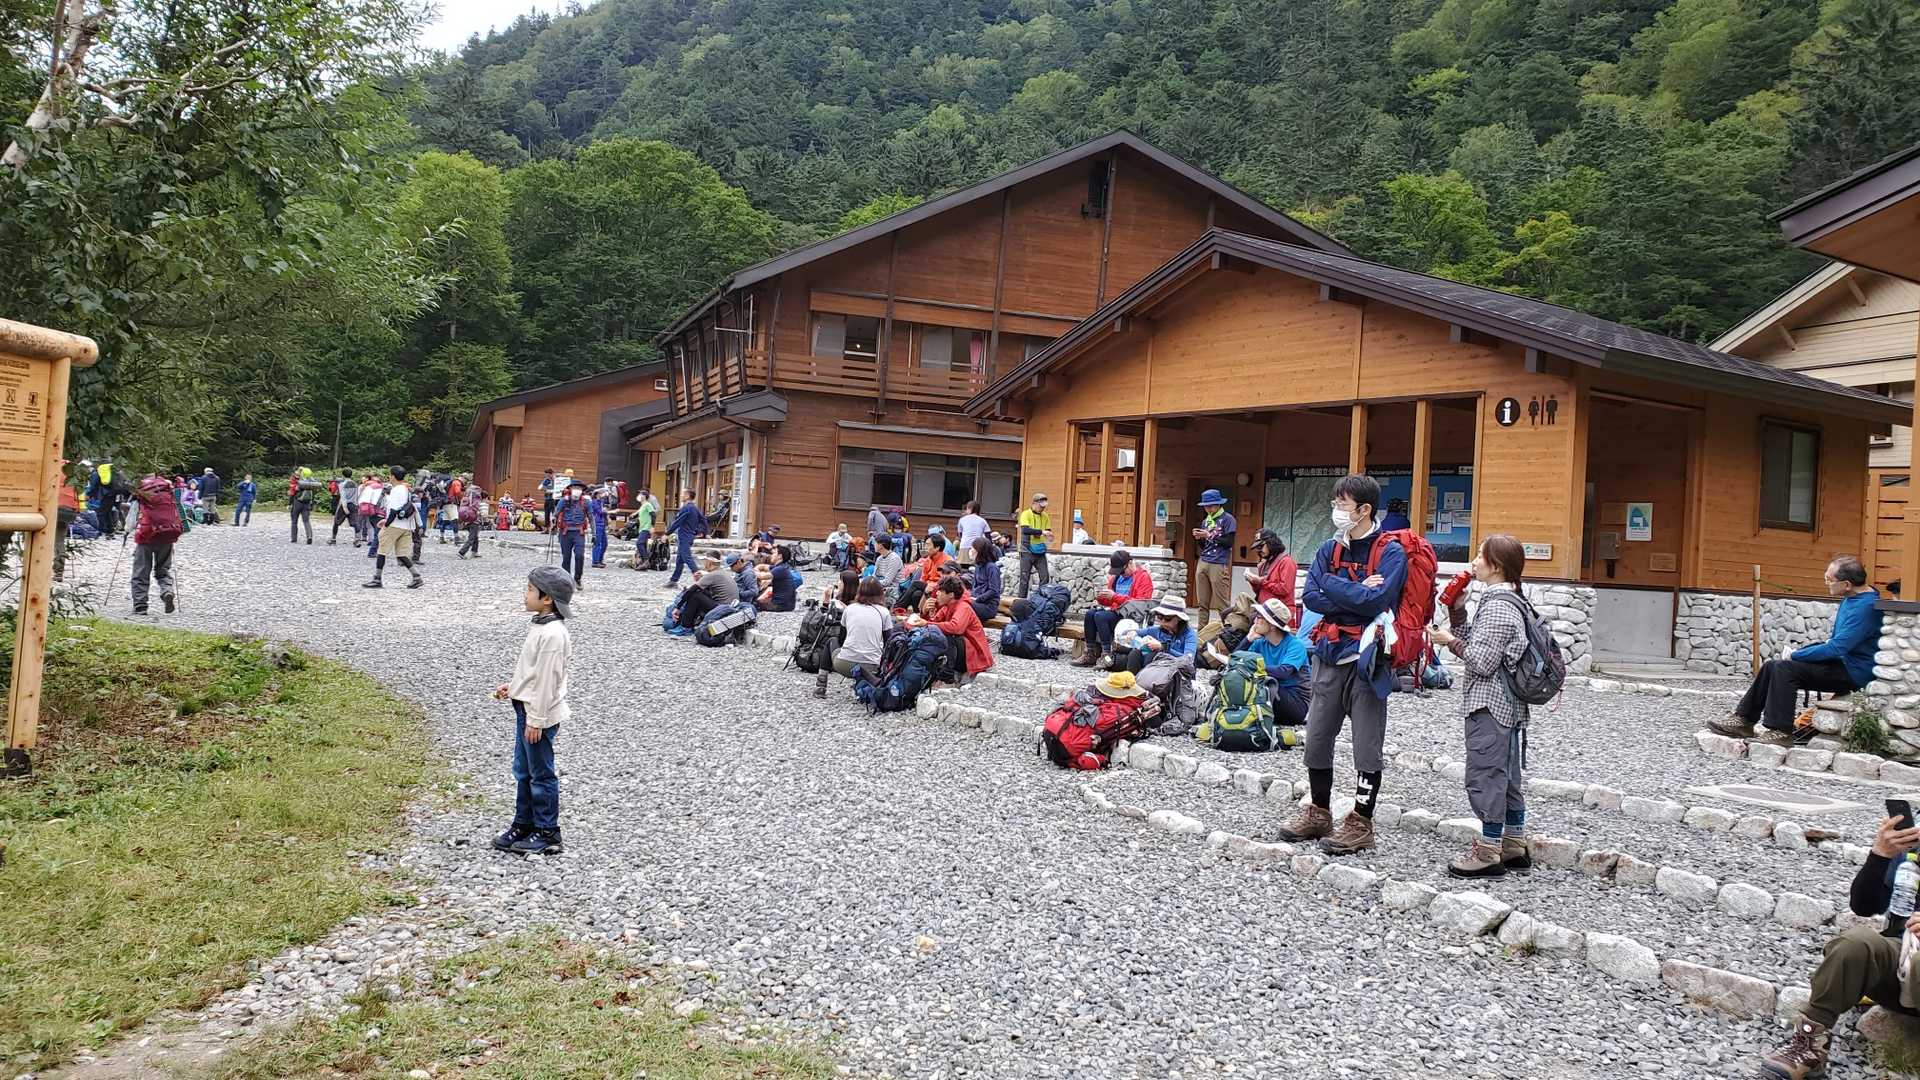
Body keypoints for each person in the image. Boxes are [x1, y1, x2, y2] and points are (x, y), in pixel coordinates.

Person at [1279, 474, 1408, 857]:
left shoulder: (1391, 552)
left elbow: (1377, 602)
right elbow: (1311, 597)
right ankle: (1319, 811)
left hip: (1369, 659)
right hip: (1329, 653)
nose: (1335, 510)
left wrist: (1334, 586)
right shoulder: (1328, 548)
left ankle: (1361, 822)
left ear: (1364, 509)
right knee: (1318, 736)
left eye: (1342, 504)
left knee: (1367, 744)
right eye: (1335, 503)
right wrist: (1356, 591)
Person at [1757, 814, 1920, 1078]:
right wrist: (1881, 854)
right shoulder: (1913, 841)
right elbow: (1864, 906)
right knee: (1854, 944)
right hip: (1903, 962)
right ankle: (1809, 1047)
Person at [1429, 534, 1533, 878]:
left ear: (1496, 565)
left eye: (1479, 556)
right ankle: (1514, 843)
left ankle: (1488, 851)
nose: (1473, 562)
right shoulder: (1510, 600)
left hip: (1490, 703)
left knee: (1486, 773)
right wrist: (1457, 611)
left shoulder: (1499, 607)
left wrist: (1448, 640)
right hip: (1509, 704)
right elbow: (1480, 643)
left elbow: (1481, 661)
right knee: (1507, 773)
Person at [1710, 555, 1881, 748]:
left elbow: (1837, 647)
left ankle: (1780, 731)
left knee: (1785, 670)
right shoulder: (1853, 598)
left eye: (1829, 579)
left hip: (1855, 673)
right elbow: (1835, 643)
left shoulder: (1865, 608)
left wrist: (1795, 655)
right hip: (1844, 663)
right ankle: (1743, 720)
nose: (1826, 583)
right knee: (1771, 666)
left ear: (1847, 584)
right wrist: (1803, 652)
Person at [490, 565, 573, 856]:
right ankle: (524, 823)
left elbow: (548, 681)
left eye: (529, 590)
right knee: (523, 770)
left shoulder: (553, 634)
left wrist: (536, 720)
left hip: (539, 714)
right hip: (526, 707)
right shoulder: (540, 626)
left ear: (547, 598)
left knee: (541, 773)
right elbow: (532, 672)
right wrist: (513, 687)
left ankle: (548, 831)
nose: (525, 595)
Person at [1076, 550, 1157, 667]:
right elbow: (1110, 601)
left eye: (1122, 571)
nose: (1121, 574)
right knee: (1090, 614)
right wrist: (1102, 598)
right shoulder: (1116, 578)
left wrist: (1115, 597)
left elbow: (1140, 604)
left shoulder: (1143, 577)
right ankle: (1090, 653)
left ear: (1129, 563)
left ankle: (1106, 655)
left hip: (1130, 617)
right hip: (1115, 612)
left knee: (1100, 616)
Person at [1239, 598, 1311, 726]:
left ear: (1272, 625)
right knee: (1235, 677)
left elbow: (1283, 672)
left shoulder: (1295, 645)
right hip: (1272, 695)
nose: (1255, 620)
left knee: (1265, 686)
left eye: (1259, 617)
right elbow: (1236, 660)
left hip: (1295, 702)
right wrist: (1248, 639)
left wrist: (1252, 666)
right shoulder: (1260, 642)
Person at [820, 577, 895, 698]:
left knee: (831, 641)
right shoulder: (884, 612)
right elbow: (889, 643)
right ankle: (867, 681)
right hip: (872, 666)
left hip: (844, 665)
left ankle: (820, 687)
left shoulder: (849, 609)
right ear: (881, 593)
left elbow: (842, 639)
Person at [129, 473, 183, 616]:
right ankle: (167, 591)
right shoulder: (168, 490)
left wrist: (127, 531)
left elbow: (132, 517)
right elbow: (178, 512)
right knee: (163, 570)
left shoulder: (142, 492)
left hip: (146, 536)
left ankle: (140, 606)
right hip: (167, 534)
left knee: (141, 571)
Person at [365, 465, 423, 590]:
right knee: (402, 554)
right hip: (406, 526)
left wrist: (387, 524)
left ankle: (377, 579)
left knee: (382, 551)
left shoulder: (396, 490)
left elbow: (394, 510)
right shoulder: (407, 489)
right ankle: (416, 577)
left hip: (394, 525)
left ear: (392, 476)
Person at [927, 575, 992, 685]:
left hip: (974, 654)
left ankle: (947, 675)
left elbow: (956, 628)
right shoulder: (947, 606)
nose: (937, 593)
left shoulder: (963, 607)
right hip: (963, 650)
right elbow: (933, 623)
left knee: (949, 635)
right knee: (933, 633)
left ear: (951, 595)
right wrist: (925, 612)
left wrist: (926, 623)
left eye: (940, 591)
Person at [1191, 488, 1236, 624]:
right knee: (1202, 603)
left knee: (1222, 603)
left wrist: (1209, 535)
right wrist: (1199, 537)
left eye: (1211, 506)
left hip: (1219, 562)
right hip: (1203, 560)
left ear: (1219, 504)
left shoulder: (1228, 519)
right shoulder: (1206, 521)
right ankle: (1201, 632)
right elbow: (1204, 545)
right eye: (1206, 506)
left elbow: (1229, 542)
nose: (1208, 509)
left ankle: (1228, 630)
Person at [1122, 597, 1196, 675]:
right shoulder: (1157, 630)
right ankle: (1133, 680)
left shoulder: (1189, 634)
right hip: (1153, 670)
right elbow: (1126, 632)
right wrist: (1133, 633)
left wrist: (1163, 647)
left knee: (1153, 655)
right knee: (1134, 653)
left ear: (1179, 618)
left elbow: (1188, 660)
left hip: (1177, 673)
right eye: (1160, 617)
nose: (1162, 622)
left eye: (1168, 619)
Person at [1243, 528, 1300, 626]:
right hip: (1264, 609)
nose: (1259, 550)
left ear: (1271, 543)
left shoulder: (1287, 562)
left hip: (1280, 612)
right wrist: (1253, 581)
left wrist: (1261, 581)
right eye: (1257, 548)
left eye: (1261, 546)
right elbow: (1261, 592)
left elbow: (1284, 589)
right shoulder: (1265, 564)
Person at [672, 551, 738, 629]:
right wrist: (700, 580)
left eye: (705, 561)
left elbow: (691, 590)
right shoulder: (721, 572)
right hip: (729, 606)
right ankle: (693, 621)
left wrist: (677, 607)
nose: (704, 563)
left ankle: (685, 627)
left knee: (695, 595)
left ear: (710, 562)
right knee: (699, 592)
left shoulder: (712, 575)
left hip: (722, 608)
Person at [664, 489, 707, 587]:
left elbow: (678, 522)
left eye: (683, 494)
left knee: (686, 556)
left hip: (684, 536)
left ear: (687, 496)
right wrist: (703, 532)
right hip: (689, 535)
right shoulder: (695, 508)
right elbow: (704, 520)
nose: (681, 496)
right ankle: (673, 580)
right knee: (679, 559)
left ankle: (698, 575)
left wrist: (667, 533)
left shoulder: (686, 508)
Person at [552, 479, 590, 587]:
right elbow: (556, 513)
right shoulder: (563, 501)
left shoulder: (586, 502)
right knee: (566, 557)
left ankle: (577, 578)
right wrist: (553, 523)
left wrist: (595, 534)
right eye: (575, 487)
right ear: (570, 489)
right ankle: (567, 579)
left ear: (582, 490)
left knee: (579, 555)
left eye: (579, 488)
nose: (577, 490)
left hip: (579, 532)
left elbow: (591, 517)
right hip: (565, 532)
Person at [1016, 491, 1053, 598]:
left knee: (1045, 576)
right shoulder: (1025, 514)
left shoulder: (1045, 516)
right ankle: (1021, 600)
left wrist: (1049, 535)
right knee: (1024, 577)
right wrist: (1042, 532)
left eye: (1044, 507)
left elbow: (1047, 530)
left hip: (1040, 550)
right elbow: (1025, 530)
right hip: (1026, 550)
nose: (1043, 509)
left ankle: (1041, 600)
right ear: (1034, 503)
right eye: (1041, 506)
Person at [759, 544, 803, 612]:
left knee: (755, 603)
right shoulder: (783, 566)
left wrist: (749, 571)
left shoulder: (780, 569)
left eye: (774, 553)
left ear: (779, 556)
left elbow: (762, 576)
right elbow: (763, 567)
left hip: (780, 605)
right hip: (789, 604)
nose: (771, 555)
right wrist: (757, 568)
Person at [967, 536, 1002, 622]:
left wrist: (977, 599)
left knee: (965, 606)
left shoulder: (992, 568)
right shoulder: (978, 566)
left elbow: (994, 590)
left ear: (979, 551)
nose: (971, 550)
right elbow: (974, 586)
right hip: (976, 602)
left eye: (973, 548)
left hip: (988, 607)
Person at [288, 467, 322, 544]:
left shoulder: (299, 482)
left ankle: (294, 538)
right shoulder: (312, 482)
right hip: (307, 503)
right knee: (306, 521)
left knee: (294, 521)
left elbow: (292, 493)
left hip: (297, 502)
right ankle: (309, 536)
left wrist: (290, 503)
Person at [331, 471, 359, 545]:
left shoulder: (342, 484)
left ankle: (333, 539)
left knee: (336, 522)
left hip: (344, 505)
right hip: (353, 504)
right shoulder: (355, 484)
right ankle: (357, 539)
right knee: (355, 522)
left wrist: (344, 507)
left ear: (343, 475)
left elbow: (343, 497)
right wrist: (356, 504)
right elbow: (356, 495)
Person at [457, 484, 484, 559]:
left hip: (466, 519)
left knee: (475, 537)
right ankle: (462, 552)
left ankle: (475, 551)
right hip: (474, 520)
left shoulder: (466, 497)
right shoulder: (476, 498)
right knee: (471, 538)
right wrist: (481, 513)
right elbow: (476, 508)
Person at [588, 485, 611, 569]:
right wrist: (609, 512)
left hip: (602, 523)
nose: (604, 493)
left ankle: (600, 560)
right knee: (597, 543)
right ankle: (595, 561)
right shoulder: (594, 502)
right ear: (597, 493)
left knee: (604, 543)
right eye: (603, 492)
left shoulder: (601, 502)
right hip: (597, 524)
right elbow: (600, 512)